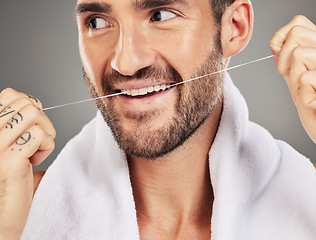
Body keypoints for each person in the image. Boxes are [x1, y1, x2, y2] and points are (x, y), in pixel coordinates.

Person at [0, 0, 315, 239]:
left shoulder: (307, 197)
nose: (126, 62)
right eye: (97, 21)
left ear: (234, 27)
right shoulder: (19, 208)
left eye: (160, 15)